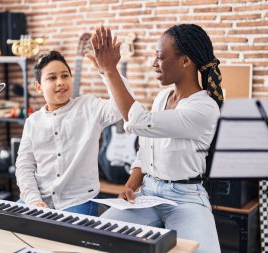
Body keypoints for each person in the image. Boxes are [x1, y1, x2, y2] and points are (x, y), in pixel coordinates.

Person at [88, 24, 222, 252]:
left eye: (160, 58)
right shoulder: (162, 97)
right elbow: (146, 150)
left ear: (185, 61)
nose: (153, 64)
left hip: (186, 199)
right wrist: (131, 186)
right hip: (148, 193)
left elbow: (139, 122)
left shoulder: (204, 108)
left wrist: (110, 72)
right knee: (95, 238)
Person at [15, 50, 130, 216]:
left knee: (61, 239)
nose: (60, 82)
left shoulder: (89, 107)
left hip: (78, 200)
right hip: (40, 199)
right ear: (38, 87)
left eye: (65, 75)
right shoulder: (32, 122)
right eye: (52, 78)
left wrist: (108, 71)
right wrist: (33, 199)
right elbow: (24, 167)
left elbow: (122, 107)